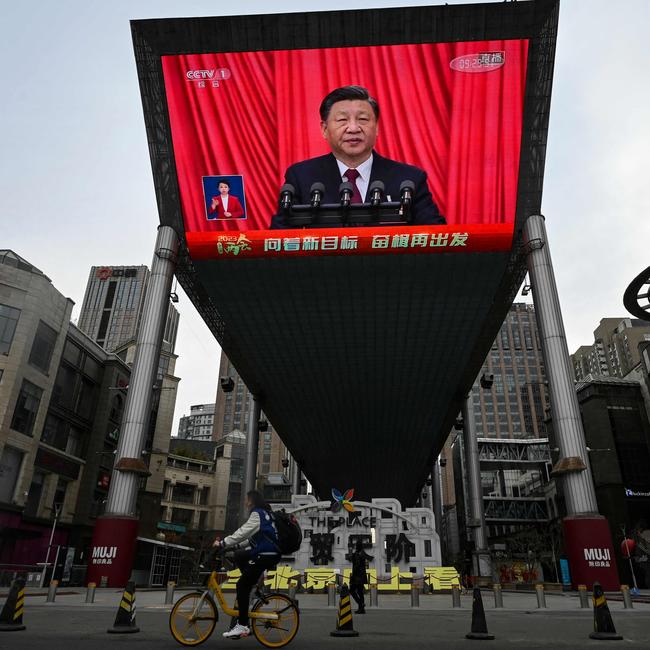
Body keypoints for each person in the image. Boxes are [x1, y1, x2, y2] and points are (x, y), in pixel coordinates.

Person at [270, 85, 445, 228]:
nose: (353, 128)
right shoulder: (301, 177)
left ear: (376, 127)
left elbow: (437, 236)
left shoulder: (409, 179)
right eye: (342, 120)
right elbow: (277, 239)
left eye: (362, 119)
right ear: (324, 129)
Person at [213, 490, 280, 639]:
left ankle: (242, 625)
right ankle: (253, 581)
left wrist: (223, 542)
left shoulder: (257, 514)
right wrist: (233, 547)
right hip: (267, 553)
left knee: (241, 585)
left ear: (251, 500)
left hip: (265, 554)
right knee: (240, 555)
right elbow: (250, 539)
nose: (245, 501)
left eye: (246, 499)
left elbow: (242, 532)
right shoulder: (264, 514)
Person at [349, 539, 368, 614]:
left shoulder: (357, 554)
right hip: (362, 576)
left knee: (352, 590)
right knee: (360, 592)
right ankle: (361, 609)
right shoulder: (362, 553)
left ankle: (361, 604)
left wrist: (353, 576)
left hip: (357, 577)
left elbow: (356, 565)